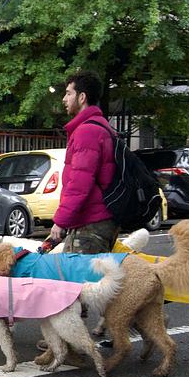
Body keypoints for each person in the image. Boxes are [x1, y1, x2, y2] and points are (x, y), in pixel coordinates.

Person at [44, 69, 119, 255]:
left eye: (69, 93)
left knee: (75, 273)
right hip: (100, 220)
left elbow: (79, 184)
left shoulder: (87, 132)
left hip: (90, 223)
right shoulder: (102, 126)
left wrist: (60, 221)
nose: (64, 99)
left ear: (82, 97)